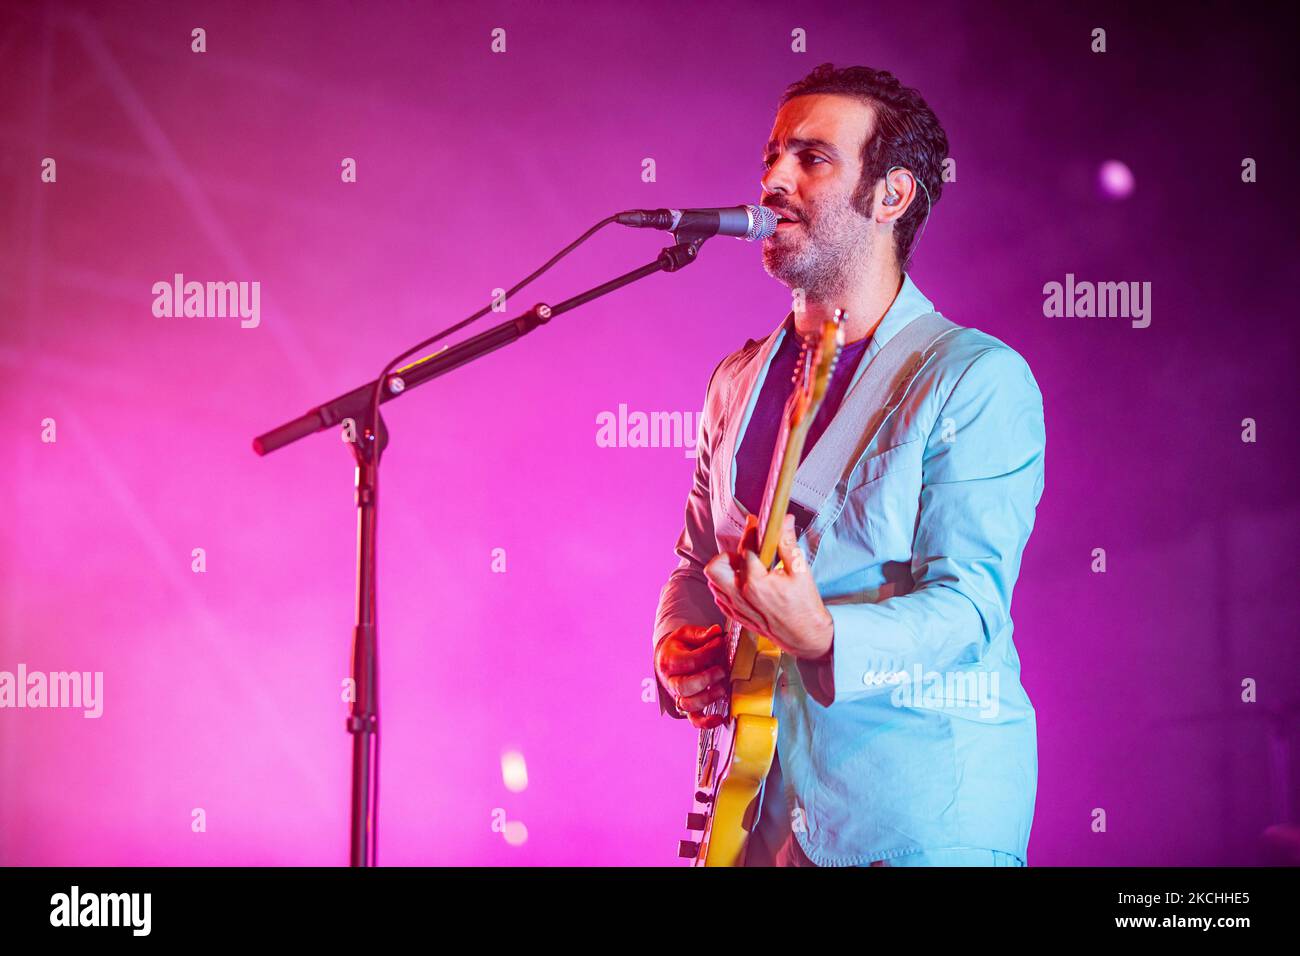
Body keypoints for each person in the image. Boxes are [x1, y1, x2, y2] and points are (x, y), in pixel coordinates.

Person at [652, 63, 1046, 867]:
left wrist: (824, 636)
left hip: (915, 813)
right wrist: (677, 640)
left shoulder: (974, 378)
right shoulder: (737, 377)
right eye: (771, 157)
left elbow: (970, 607)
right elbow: (696, 558)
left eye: (812, 158)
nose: (772, 180)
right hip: (757, 804)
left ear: (891, 195)